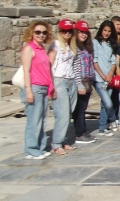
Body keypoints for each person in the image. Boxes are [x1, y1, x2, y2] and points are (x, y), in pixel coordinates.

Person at [20, 20, 55, 159]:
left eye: (44, 32)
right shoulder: (29, 48)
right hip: (34, 87)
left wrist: (50, 87)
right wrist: (28, 90)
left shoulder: (41, 49)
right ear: (32, 33)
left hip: (43, 88)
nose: (41, 35)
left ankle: (39, 147)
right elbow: (26, 71)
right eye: (38, 32)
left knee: (42, 120)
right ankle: (31, 148)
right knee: (34, 121)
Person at [48, 19, 78, 155]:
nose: (67, 33)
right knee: (62, 114)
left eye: (69, 31)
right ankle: (56, 143)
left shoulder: (71, 45)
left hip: (71, 80)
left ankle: (62, 140)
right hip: (59, 80)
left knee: (69, 112)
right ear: (59, 31)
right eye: (64, 30)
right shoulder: (55, 45)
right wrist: (51, 85)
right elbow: (48, 64)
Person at [93, 20, 118, 136]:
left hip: (109, 78)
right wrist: (102, 75)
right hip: (99, 78)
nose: (107, 33)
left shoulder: (111, 44)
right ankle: (113, 119)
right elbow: (95, 60)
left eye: (109, 31)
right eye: (105, 30)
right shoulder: (95, 43)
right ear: (101, 30)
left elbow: (113, 61)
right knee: (108, 103)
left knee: (104, 104)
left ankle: (102, 127)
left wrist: (110, 74)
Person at [73, 21, 96, 143]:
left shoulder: (87, 48)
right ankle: (80, 133)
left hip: (87, 81)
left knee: (82, 108)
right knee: (79, 109)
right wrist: (78, 84)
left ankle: (82, 131)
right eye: (81, 32)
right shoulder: (73, 47)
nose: (83, 34)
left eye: (85, 32)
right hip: (78, 81)